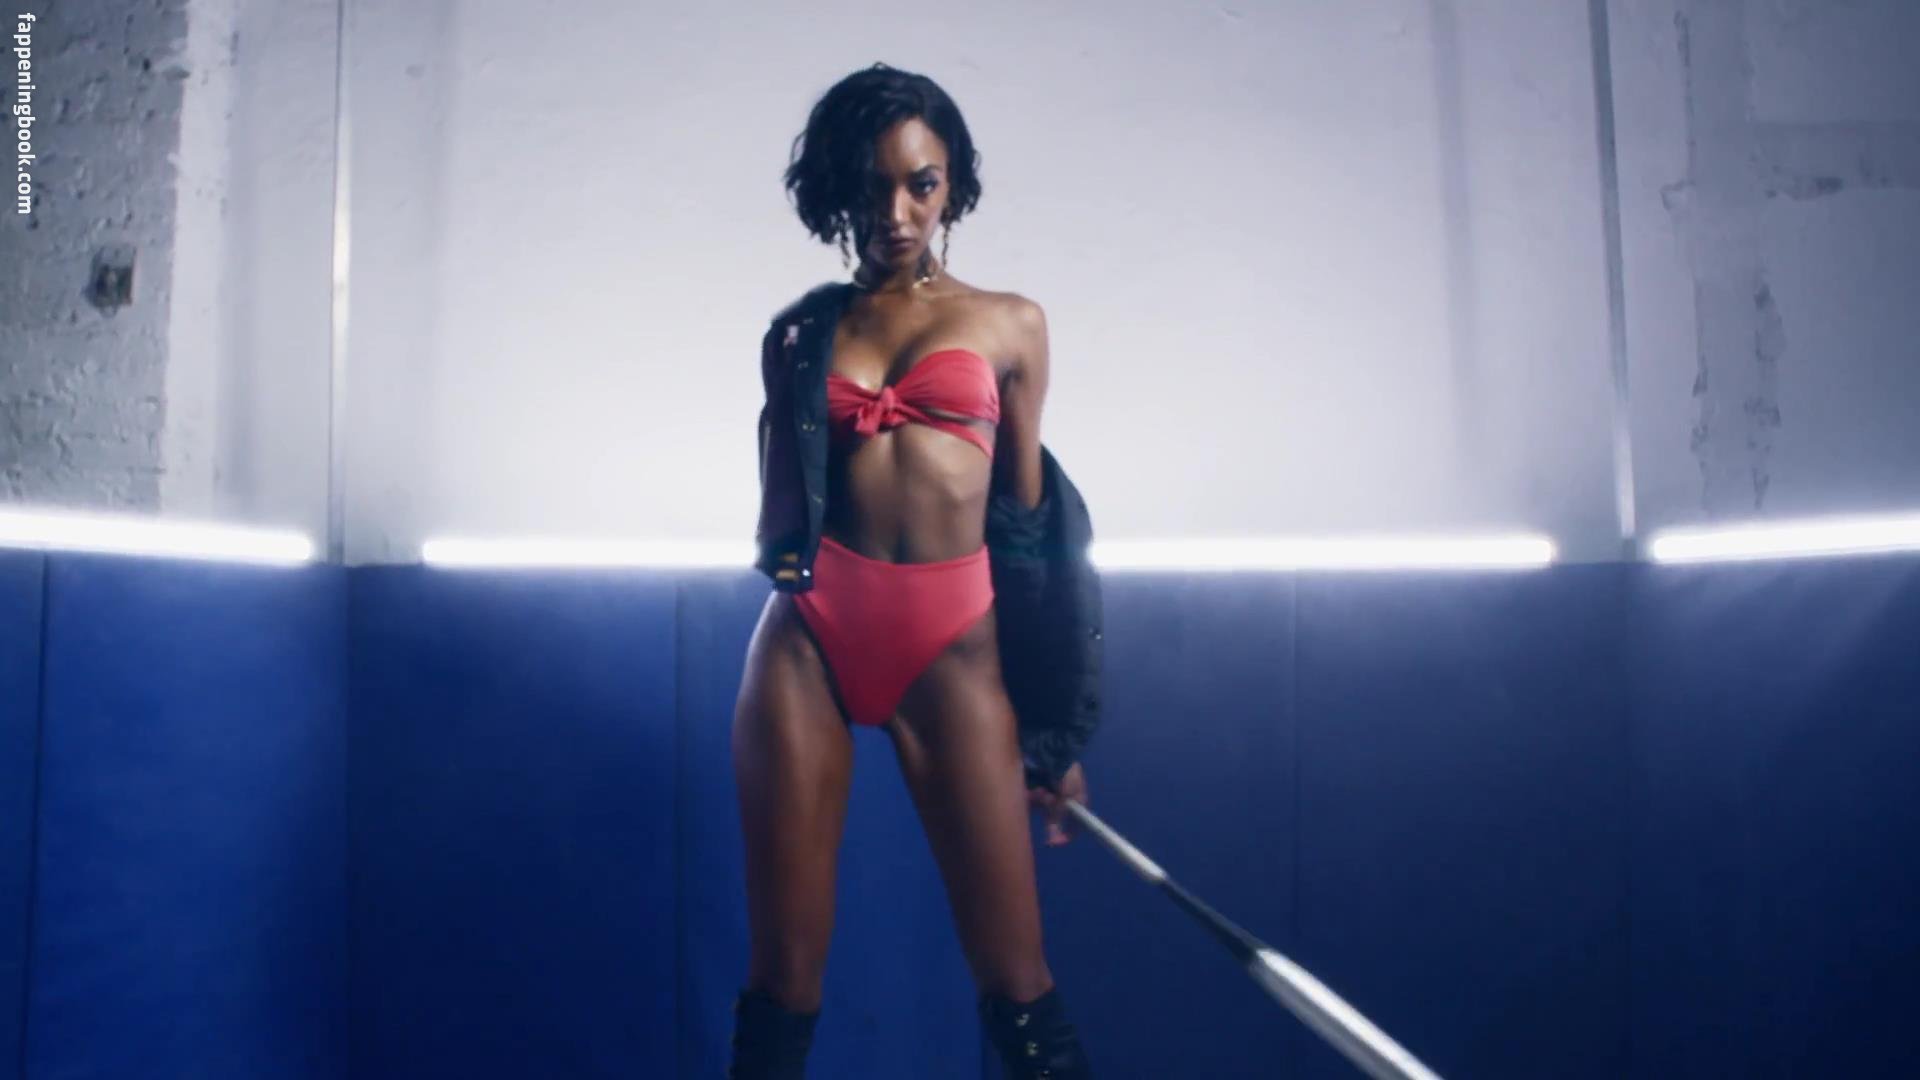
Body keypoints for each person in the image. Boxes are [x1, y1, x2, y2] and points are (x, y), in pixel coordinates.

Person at [729, 63, 1103, 1079]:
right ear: (837, 191)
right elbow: (782, 504)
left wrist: (1055, 734)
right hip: (810, 640)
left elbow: (1031, 531)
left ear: (953, 185)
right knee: (783, 980)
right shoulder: (800, 332)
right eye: (872, 186)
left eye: (921, 184)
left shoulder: (1012, 323)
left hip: (955, 649)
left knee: (1018, 980)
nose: (897, 213)